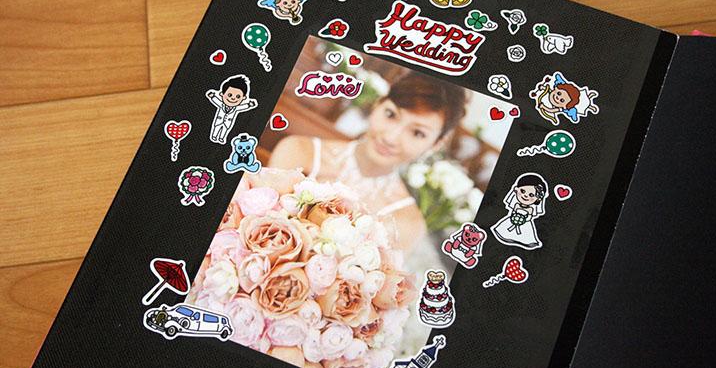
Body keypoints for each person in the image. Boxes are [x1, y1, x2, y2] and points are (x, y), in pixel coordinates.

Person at [269, 74, 467, 251]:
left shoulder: (407, 225)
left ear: (436, 144)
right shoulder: (297, 152)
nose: (390, 137)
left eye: (417, 133)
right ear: (378, 104)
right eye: (391, 114)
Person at [491, 173, 548, 250]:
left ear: (537, 198)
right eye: (522, 191)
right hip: (512, 221)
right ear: (517, 189)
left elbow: (529, 217)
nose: (525, 195)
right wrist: (514, 218)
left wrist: (524, 219)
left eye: (531, 195)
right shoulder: (517, 205)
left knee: (524, 235)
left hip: (524, 223)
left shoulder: (530, 209)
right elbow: (513, 212)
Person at [205, 74, 258, 145]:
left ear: (243, 98)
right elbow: (217, 101)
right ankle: (214, 136)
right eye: (229, 95)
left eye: (238, 96)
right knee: (216, 128)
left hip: (228, 123)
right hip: (219, 120)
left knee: (224, 130)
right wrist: (212, 97)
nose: (233, 98)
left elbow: (242, 107)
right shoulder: (221, 104)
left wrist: (249, 105)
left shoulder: (236, 108)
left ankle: (221, 138)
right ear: (222, 94)